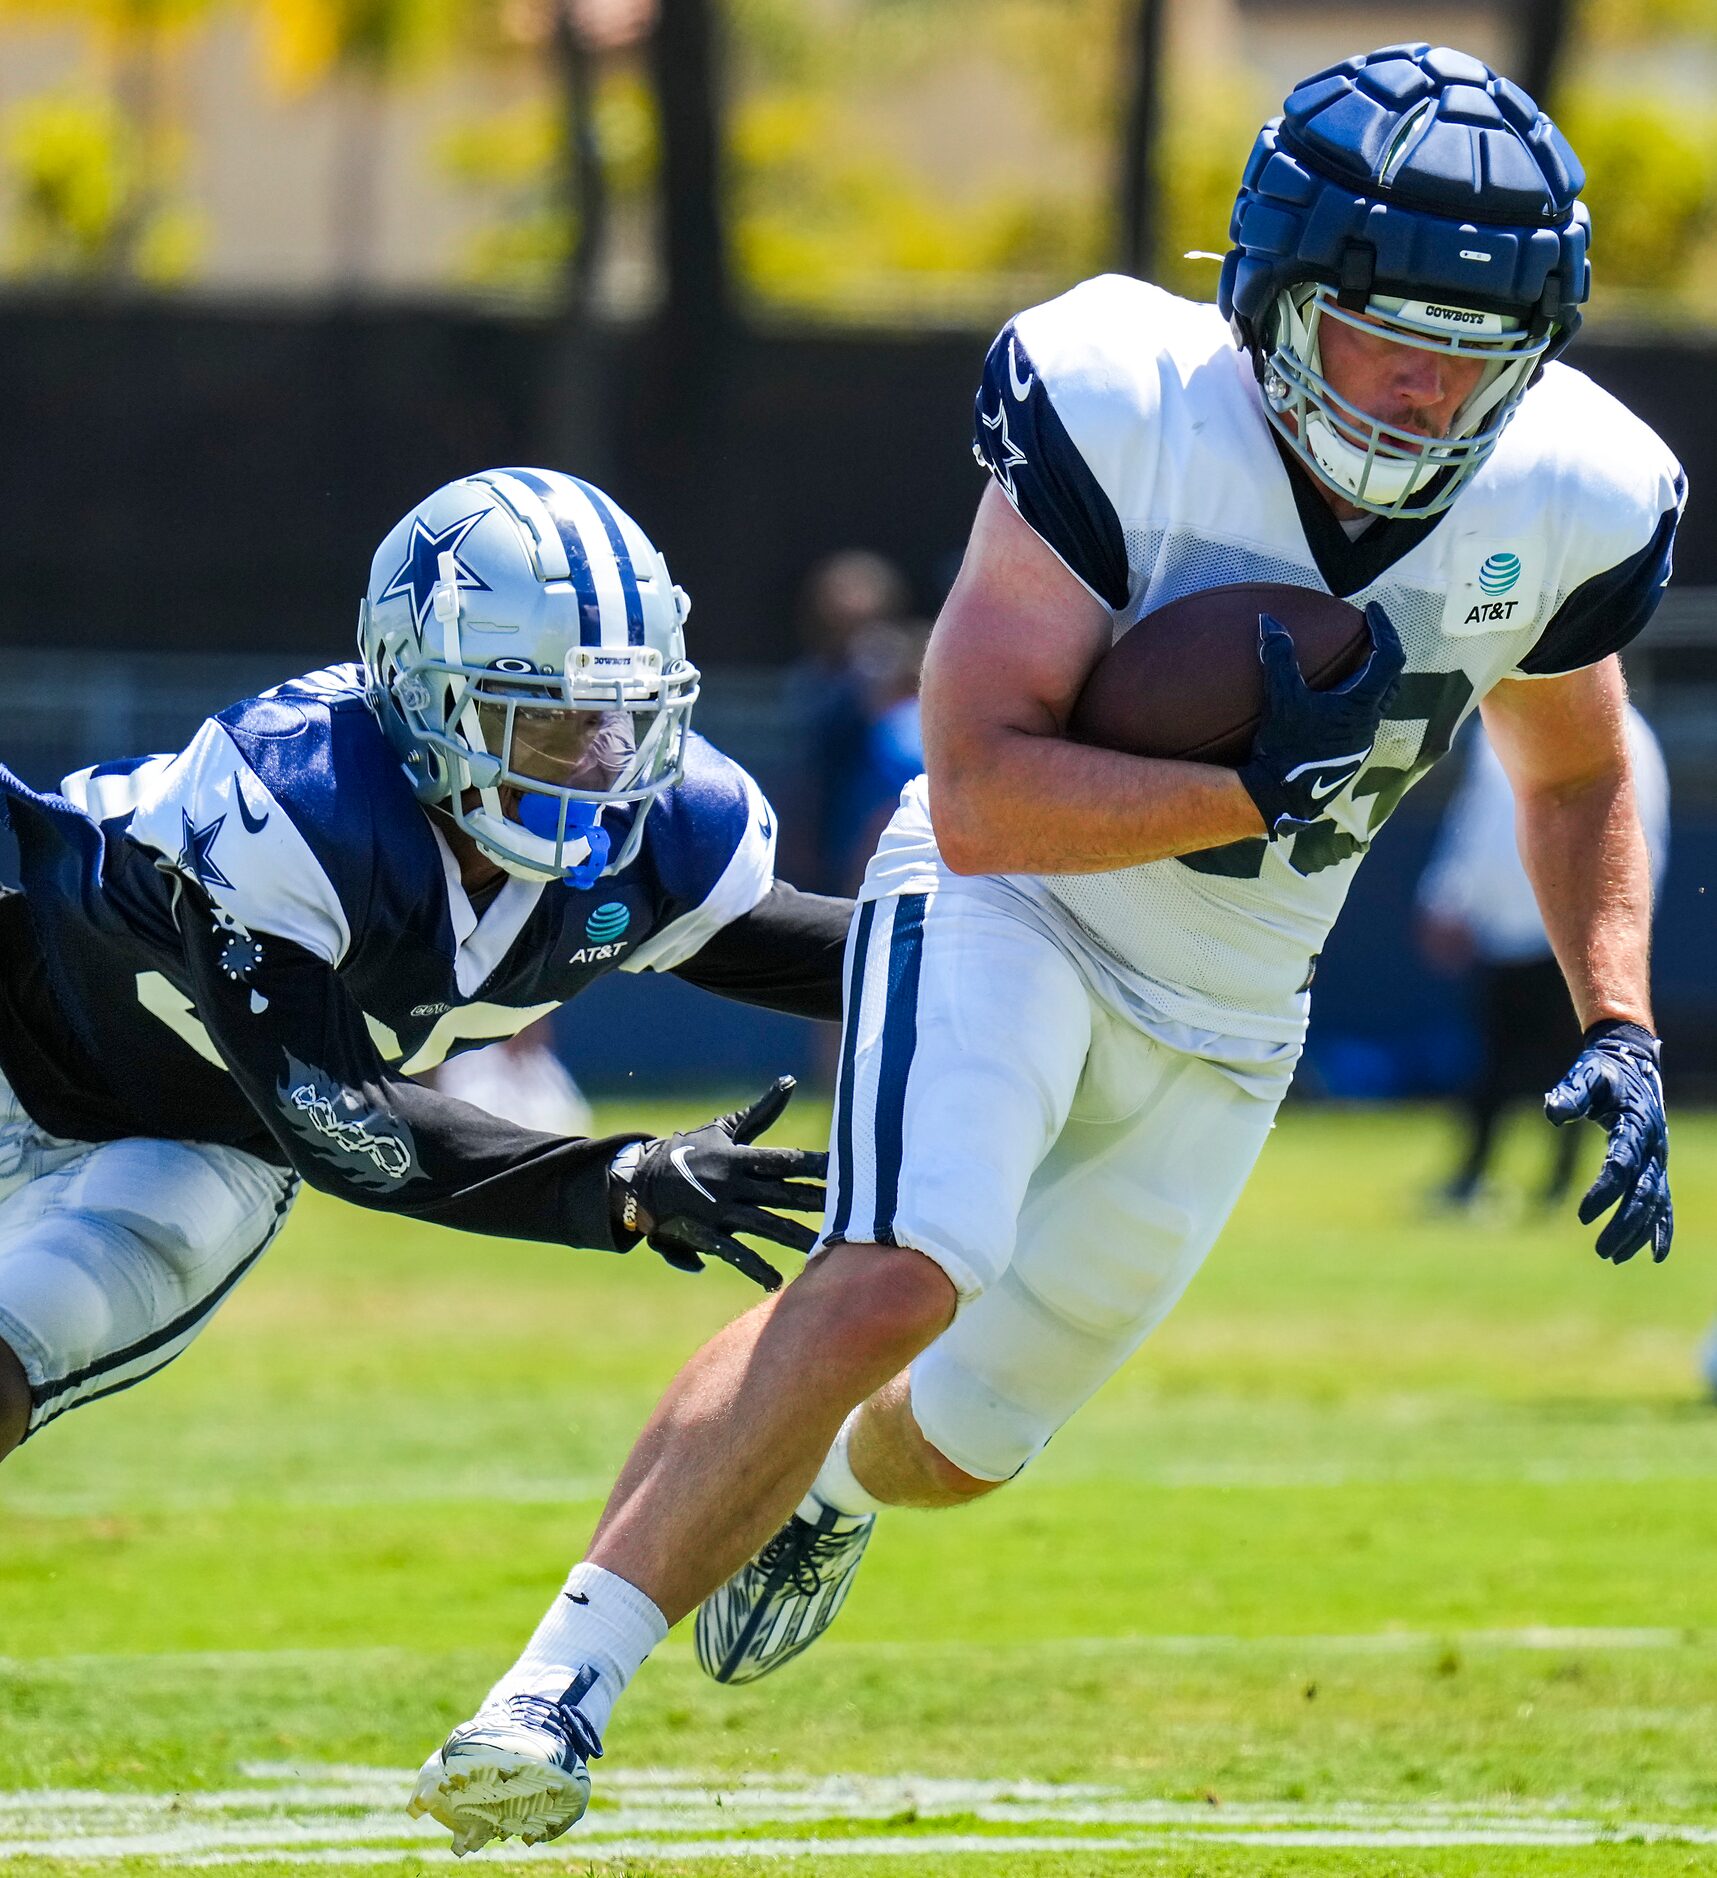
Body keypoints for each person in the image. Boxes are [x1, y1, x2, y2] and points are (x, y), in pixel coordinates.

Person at [412, 47, 1681, 1854]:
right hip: (1008, 902)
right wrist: (1244, 788)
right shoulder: (1124, 399)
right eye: (1378, 334)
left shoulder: (1567, 491)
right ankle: (548, 1693)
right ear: (1267, 296)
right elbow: (986, 786)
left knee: (958, 1443)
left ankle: (822, 1483)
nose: (1416, 391)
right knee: (897, 1270)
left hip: (1238, 1011)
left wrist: (1615, 1017)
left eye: (1469, 355)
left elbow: (1570, 775)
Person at [0, 467, 851, 1458]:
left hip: (201, 1149)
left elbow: (853, 961)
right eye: (546, 718)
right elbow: (348, 1117)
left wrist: (1034, 953)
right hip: (18, 1008)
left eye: (621, 717)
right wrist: (622, 1176)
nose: (595, 761)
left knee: (16, 1361)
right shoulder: (299, 795)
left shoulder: (664, 833)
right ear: (418, 692)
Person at [1417, 708, 1670, 1207]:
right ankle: (1488, 1177)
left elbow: (1638, 835)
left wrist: (1618, 927)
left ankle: (1555, 1182)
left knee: (1567, 1064)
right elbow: (1478, 821)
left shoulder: (1620, 733)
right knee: (1506, 1062)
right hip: (1523, 931)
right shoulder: (1507, 727)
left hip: (1563, 930)